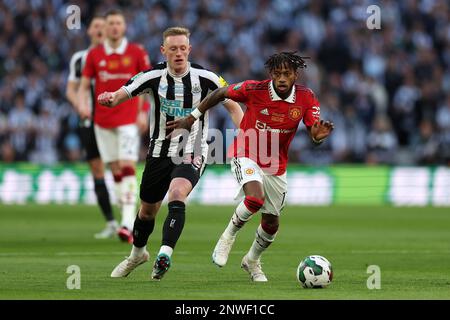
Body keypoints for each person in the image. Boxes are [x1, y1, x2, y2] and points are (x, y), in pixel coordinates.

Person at [168, 52, 334, 282]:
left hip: (276, 164)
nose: (282, 78)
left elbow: (314, 131)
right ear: (271, 74)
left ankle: (252, 261)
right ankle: (227, 237)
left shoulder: (306, 97)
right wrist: (192, 117)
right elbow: (220, 93)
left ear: (296, 74)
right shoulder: (254, 89)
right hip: (245, 152)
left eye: (287, 74)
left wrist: (318, 137)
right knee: (254, 199)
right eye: (278, 73)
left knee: (271, 223)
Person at [98, 27, 243, 280]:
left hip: (193, 149)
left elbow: (232, 104)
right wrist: (110, 98)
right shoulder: (152, 76)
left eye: (183, 48)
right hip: (159, 151)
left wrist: (244, 135)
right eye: (173, 49)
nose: (178, 53)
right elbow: (123, 93)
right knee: (147, 211)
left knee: (177, 193)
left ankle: (164, 254)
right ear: (163, 51)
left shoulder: (206, 77)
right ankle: (137, 254)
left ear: (189, 49)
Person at [78, 9, 151, 243]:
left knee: (128, 166)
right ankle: (127, 216)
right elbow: (83, 85)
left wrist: (144, 113)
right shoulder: (94, 55)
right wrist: (83, 105)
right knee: (115, 170)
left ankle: (127, 223)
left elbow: (149, 84)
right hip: (101, 121)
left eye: (118, 23)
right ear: (105, 28)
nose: (114, 27)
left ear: (124, 27)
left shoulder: (136, 52)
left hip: (128, 120)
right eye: (110, 23)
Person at [66, 15, 118, 239]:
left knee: (118, 169)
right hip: (88, 120)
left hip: (113, 120)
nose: (99, 30)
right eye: (95, 26)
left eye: (102, 26)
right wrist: (80, 105)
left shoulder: (115, 56)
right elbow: (71, 89)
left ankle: (130, 220)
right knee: (97, 170)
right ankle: (111, 222)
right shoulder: (80, 58)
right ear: (89, 31)